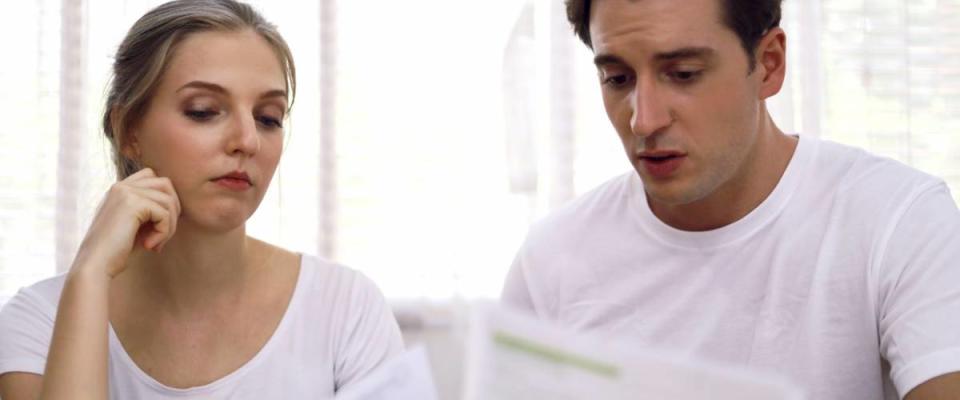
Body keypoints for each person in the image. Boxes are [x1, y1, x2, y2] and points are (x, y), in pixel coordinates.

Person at [501, 0, 960, 398]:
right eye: (618, 79)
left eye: (683, 74)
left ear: (769, 63)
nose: (644, 120)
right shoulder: (553, 262)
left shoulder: (899, 221)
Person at [0, 1, 402, 398]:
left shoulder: (347, 310)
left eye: (268, 118)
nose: (248, 140)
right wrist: (89, 274)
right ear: (128, 131)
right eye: (204, 110)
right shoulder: (40, 320)